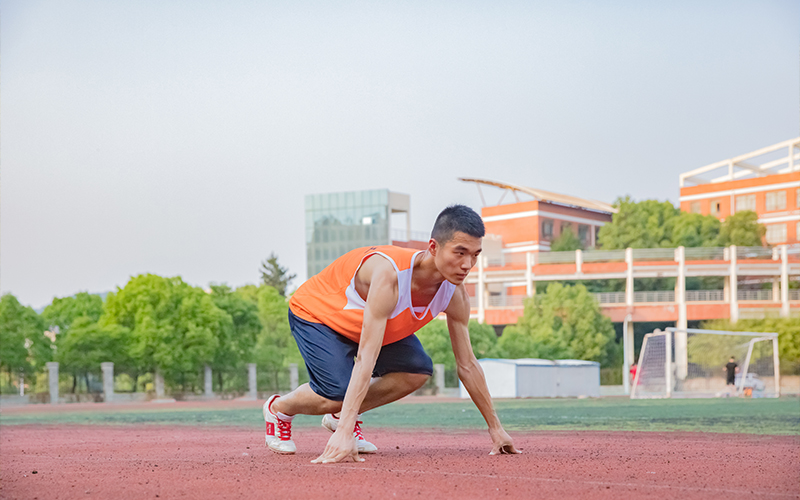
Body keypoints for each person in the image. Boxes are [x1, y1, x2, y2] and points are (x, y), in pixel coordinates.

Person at [263, 204, 520, 464]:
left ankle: (341, 415)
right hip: (319, 314)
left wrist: (496, 428)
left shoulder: (455, 293)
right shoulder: (390, 276)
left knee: (416, 370)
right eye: (459, 252)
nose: (467, 265)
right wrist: (344, 435)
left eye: (475, 255)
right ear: (433, 247)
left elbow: (467, 364)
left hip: (370, 323)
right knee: (335, 393)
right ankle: (279, 409)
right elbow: (366, 358)